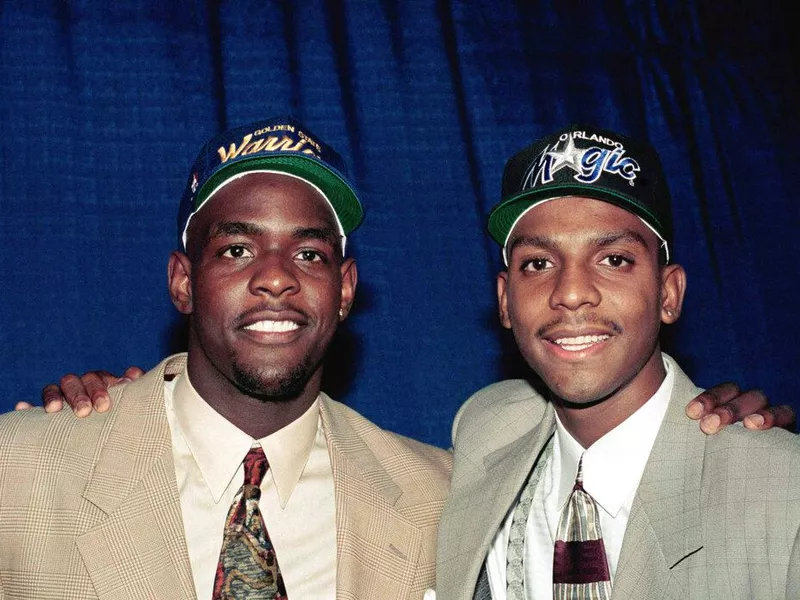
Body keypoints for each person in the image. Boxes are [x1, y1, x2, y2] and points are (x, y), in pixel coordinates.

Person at [0, 116, 452, 599]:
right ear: (183, 282)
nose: (276, 278)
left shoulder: (439, 498)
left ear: (344, 290)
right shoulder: (19, 469)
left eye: (309, 254)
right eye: (237, 250)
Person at [434, 124, 800, 599]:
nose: (570, 293)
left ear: (668, 293)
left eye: (614, 259)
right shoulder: (485, 427)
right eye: (538, 264)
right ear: (504, 301)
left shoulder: (780, 491)